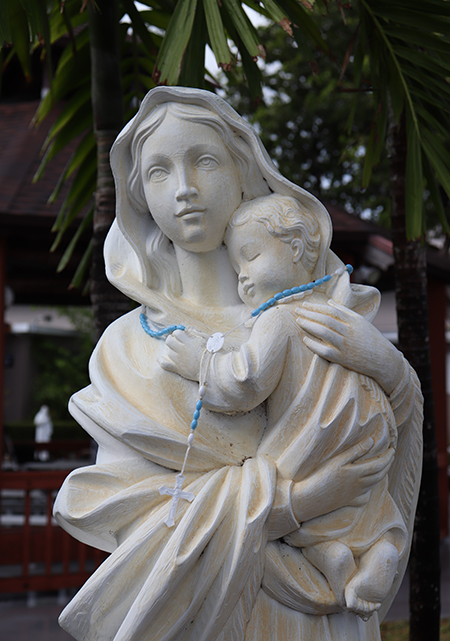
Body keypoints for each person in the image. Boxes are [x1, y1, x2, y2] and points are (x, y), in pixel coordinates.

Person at [53, 87, 422, 641]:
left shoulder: (328, 315)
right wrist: (296, 502)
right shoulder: (128, 349)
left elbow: (382, 440)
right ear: (140, 198)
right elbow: (140, 514)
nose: (184, 190)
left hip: (324, 620)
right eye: (158, 172)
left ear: (245, 169)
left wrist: (391, 372)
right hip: (209, 609)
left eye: (204, 161)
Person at [160, 194, 407, 619]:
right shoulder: (337, 308)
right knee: (367, 500)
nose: (243, 278)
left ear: (295, 248)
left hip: (319, 432)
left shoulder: (277, 318)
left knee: (284, 491)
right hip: (367, 428)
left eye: (251, 256)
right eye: (237, 269)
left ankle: (329, 551)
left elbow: (245, 384)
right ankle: (376, 548)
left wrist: (200, 361)